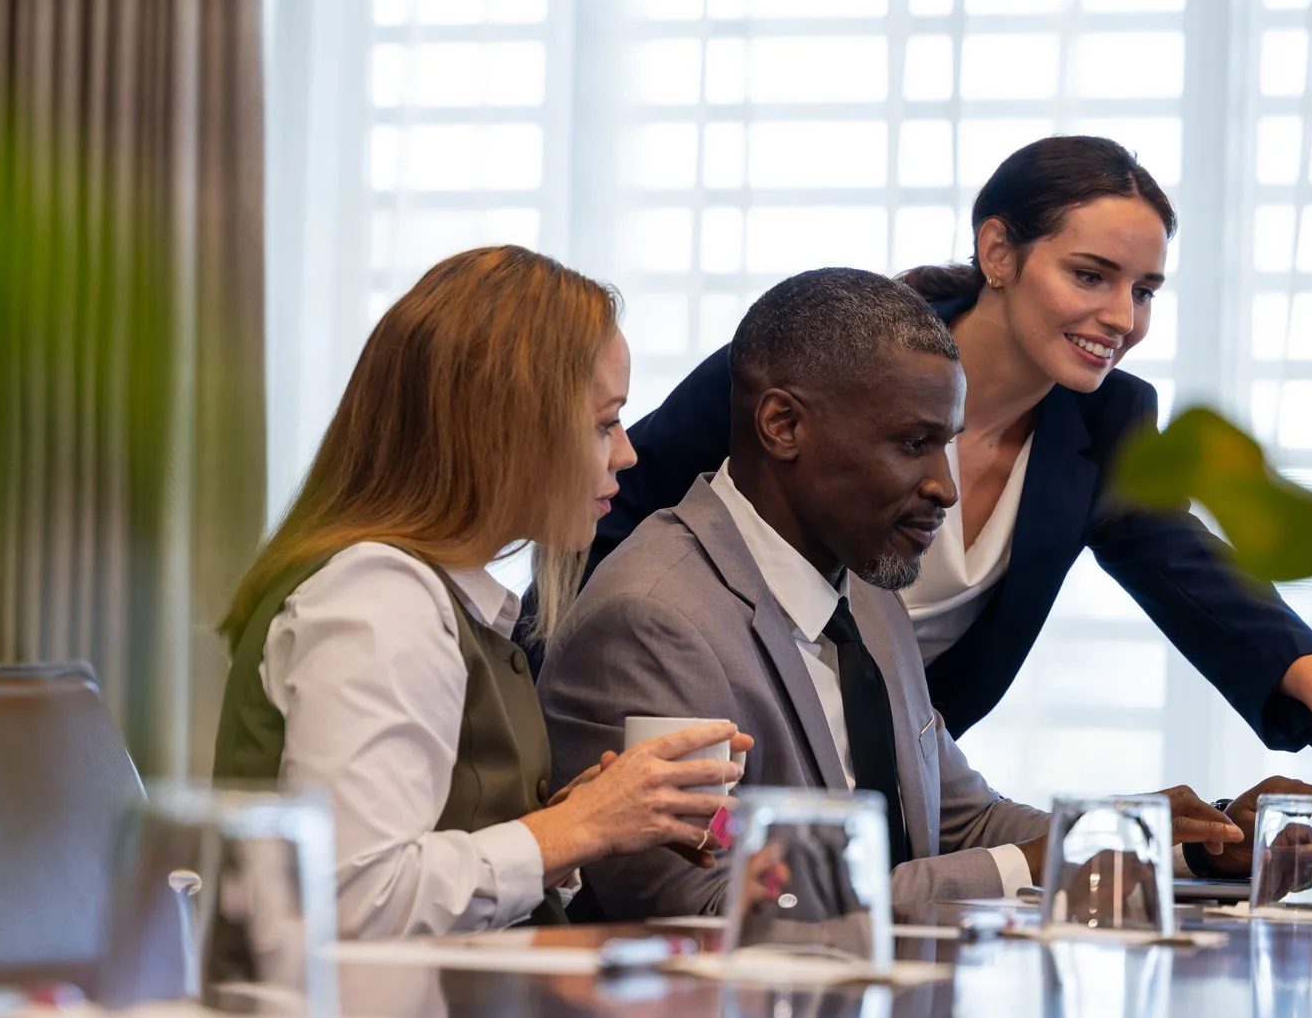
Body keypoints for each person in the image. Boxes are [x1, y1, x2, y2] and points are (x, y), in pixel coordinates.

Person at [589, 137, 1312, 871]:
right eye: (1091, 274)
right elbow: (622, 504)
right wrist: (586, 691)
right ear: (998, 253)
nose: (1121, 316)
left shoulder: (1104, 422)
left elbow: (1182, 562)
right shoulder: (835, 357)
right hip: (728, 736)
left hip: (900, 765)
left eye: (1144, 290)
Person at [540, 268, 1269, 922]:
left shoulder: (865, 583)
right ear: (783, 425)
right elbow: (699, 903)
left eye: (946, 445)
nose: (945, 488)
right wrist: (1029, 865)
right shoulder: (656, 617)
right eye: (913, 443)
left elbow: (959, 822)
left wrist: (1176, 845)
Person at [214, 246, 746, 938]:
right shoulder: (379, 599)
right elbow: (354, 898)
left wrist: (588, 820)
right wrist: (574, 828)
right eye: (602, 422)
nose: (626, 453)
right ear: (505, 431)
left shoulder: (425, 596)